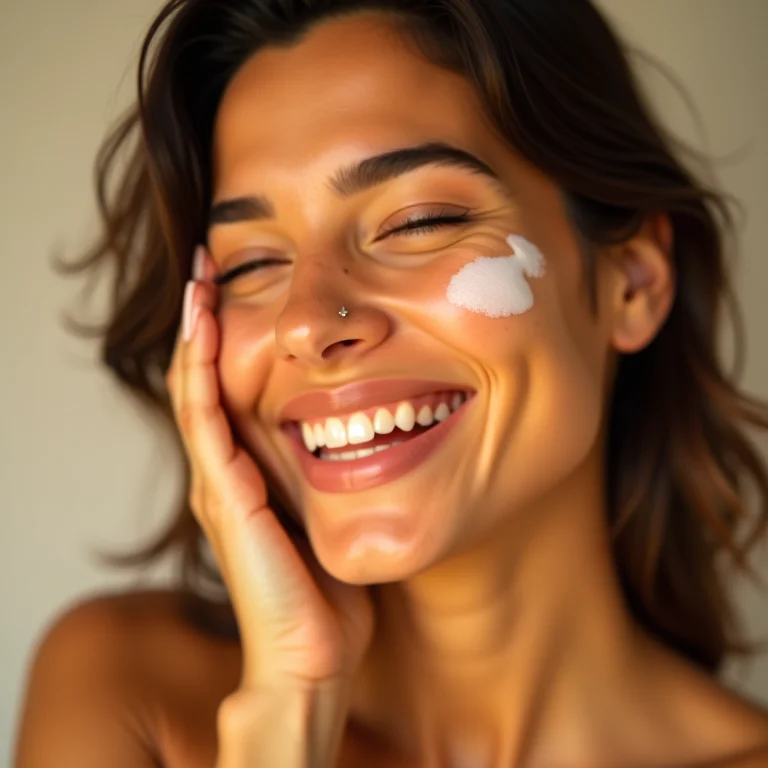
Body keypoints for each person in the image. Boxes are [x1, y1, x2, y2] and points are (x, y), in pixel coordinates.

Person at [13, 0, 768, 765]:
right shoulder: (124, 690)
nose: (306, 323)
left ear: (631, 281)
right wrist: (289, 707)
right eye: (250, 264)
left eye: (417, 222)